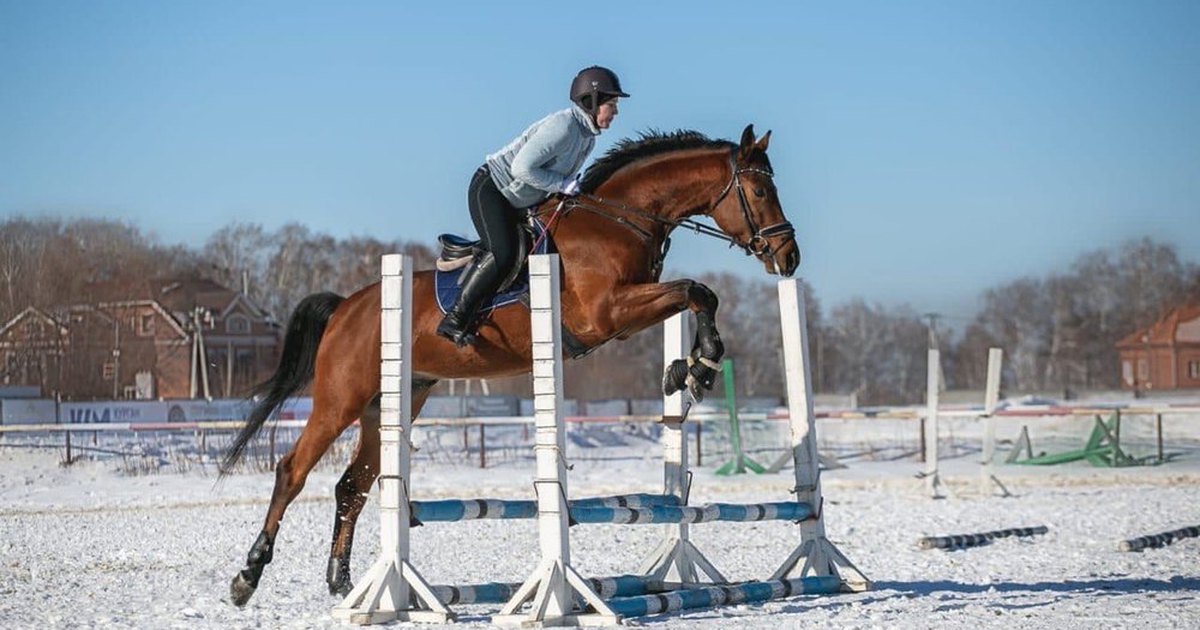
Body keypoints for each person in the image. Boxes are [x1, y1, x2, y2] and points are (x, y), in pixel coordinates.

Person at [437, 66, 629, 347]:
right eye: (611, 105)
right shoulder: (563, 127)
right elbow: (522, 168)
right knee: (503, 253)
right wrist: (562, 184)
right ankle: (455, 317)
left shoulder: (586, 136)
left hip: (518, 198)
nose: (615, 112)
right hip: (492, 189)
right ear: (592, 101)